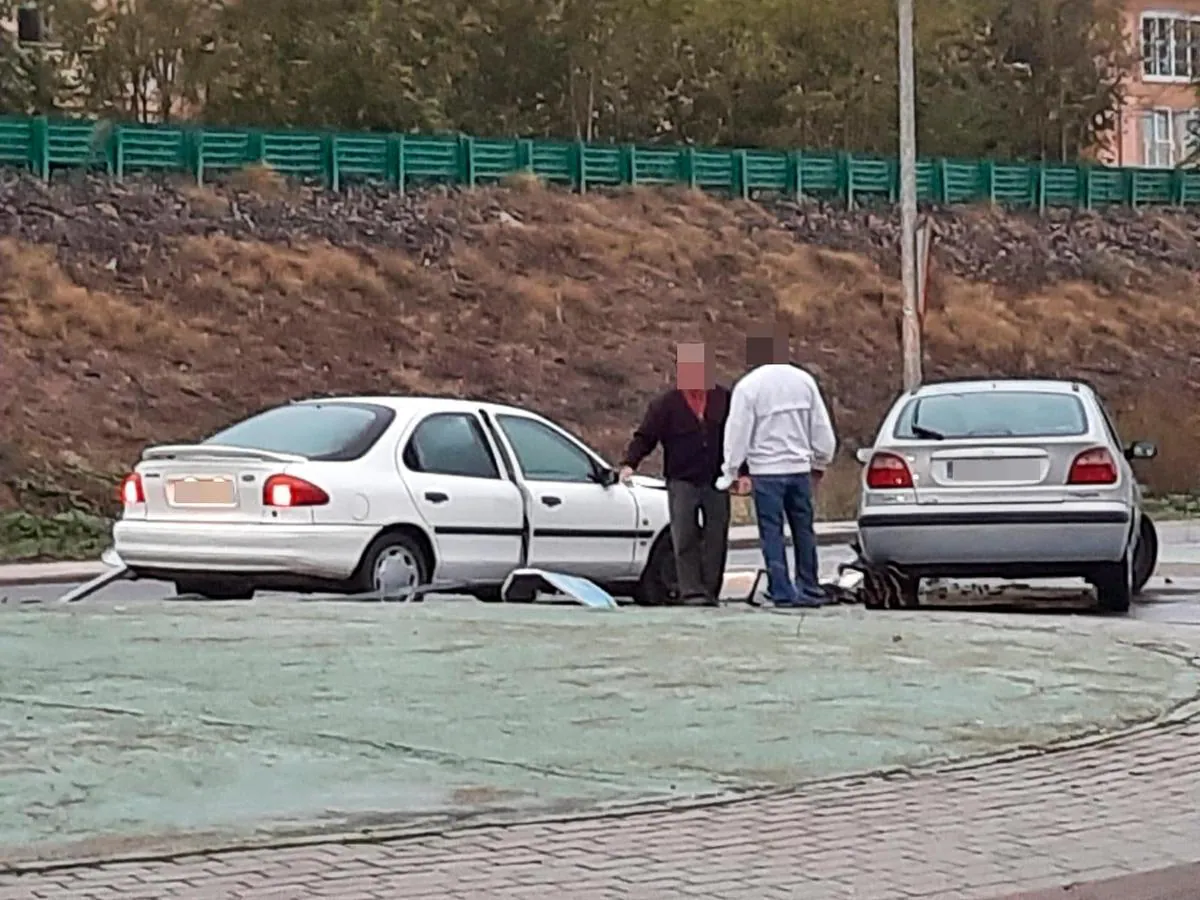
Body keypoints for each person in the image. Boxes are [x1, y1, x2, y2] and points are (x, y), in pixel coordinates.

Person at [716, 329, 837, 608]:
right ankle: (809, 587)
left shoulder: (749, 387)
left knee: (772, 533)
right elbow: (820, 426)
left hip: (766, 471)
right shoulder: (804, 382)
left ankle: (782, 590)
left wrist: (731, 471)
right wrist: (820, 461)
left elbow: (737, 432)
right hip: (799, 469)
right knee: (803, 530)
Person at [618, 341, 743, 606]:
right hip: (681, 480)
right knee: (683, 536)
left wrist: (743, 472)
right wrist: (630, 463)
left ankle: (710, 591)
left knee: (715, 538)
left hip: (717, 480)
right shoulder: (666, 404)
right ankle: (691, 592)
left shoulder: (724, 399)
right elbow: (646, 437)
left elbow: (739, 438)